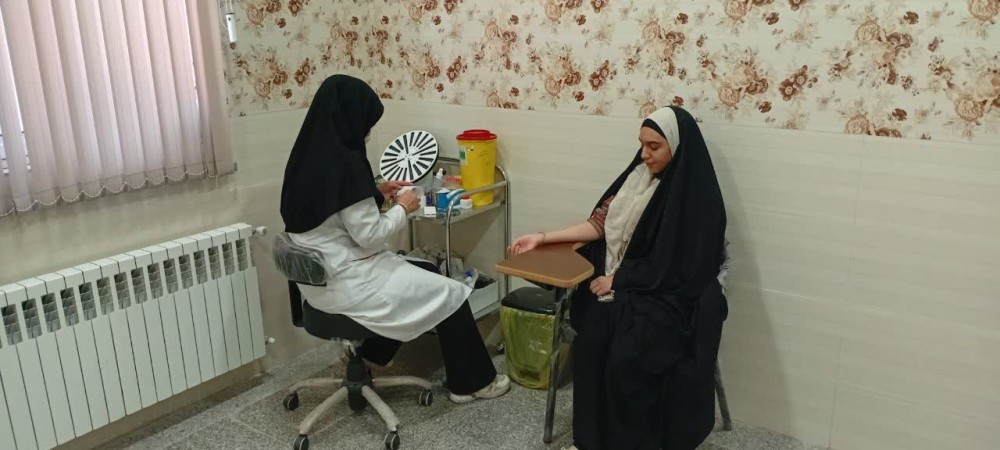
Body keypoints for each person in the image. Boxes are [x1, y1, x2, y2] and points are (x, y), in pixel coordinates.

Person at [280, 74, 509, 403]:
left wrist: (374, 192)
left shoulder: (307, 157)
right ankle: (472, 384)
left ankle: (373, 355)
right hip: (349, 285)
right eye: (367, 123)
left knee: (426, 270)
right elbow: (369, 235)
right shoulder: (348, 164)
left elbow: (332, 209)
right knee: (454, 293)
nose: (368, 132)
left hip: (317, 286)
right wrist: (403, 206)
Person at [509, 106, 729, 449]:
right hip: (625, 284)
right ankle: (589, 441)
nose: (644, 154)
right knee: (592, 339)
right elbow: (600, 224)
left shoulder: (697, 198)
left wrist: (622, 280)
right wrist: (543, 237)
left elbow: (686, 264)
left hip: (671, 295)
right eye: (642, 144)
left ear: (677, 146)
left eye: (654, 147)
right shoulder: (636, 179)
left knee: (630, 349)